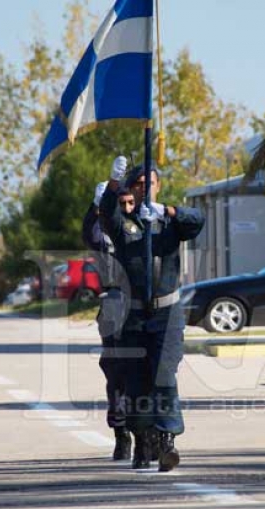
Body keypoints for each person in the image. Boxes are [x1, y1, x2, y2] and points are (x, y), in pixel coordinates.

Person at [99, 156, 204, 472]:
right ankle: (143, 441)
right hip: (133, 315)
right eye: (139, 184)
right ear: (132, 188)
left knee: (164, 375)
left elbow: (197, 221)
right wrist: (113, 186)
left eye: (151, 183)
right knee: (136, 380)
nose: (146, 188)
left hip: (167, 313)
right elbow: (106, 215)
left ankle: (167, 439)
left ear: (159, 187)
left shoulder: (170, 222)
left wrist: (168, 211)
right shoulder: (124, 223)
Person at [81, 180, 135, 461]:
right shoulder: (106, 237)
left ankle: (149, 433)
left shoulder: (145, 230)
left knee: (146, 372)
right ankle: (121, 433)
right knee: (116, 374)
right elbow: (89, 233)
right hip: (114, 306)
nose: (126, 209)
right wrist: (96, 204)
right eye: (120, 203)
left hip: (142, 306)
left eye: (130, 203)